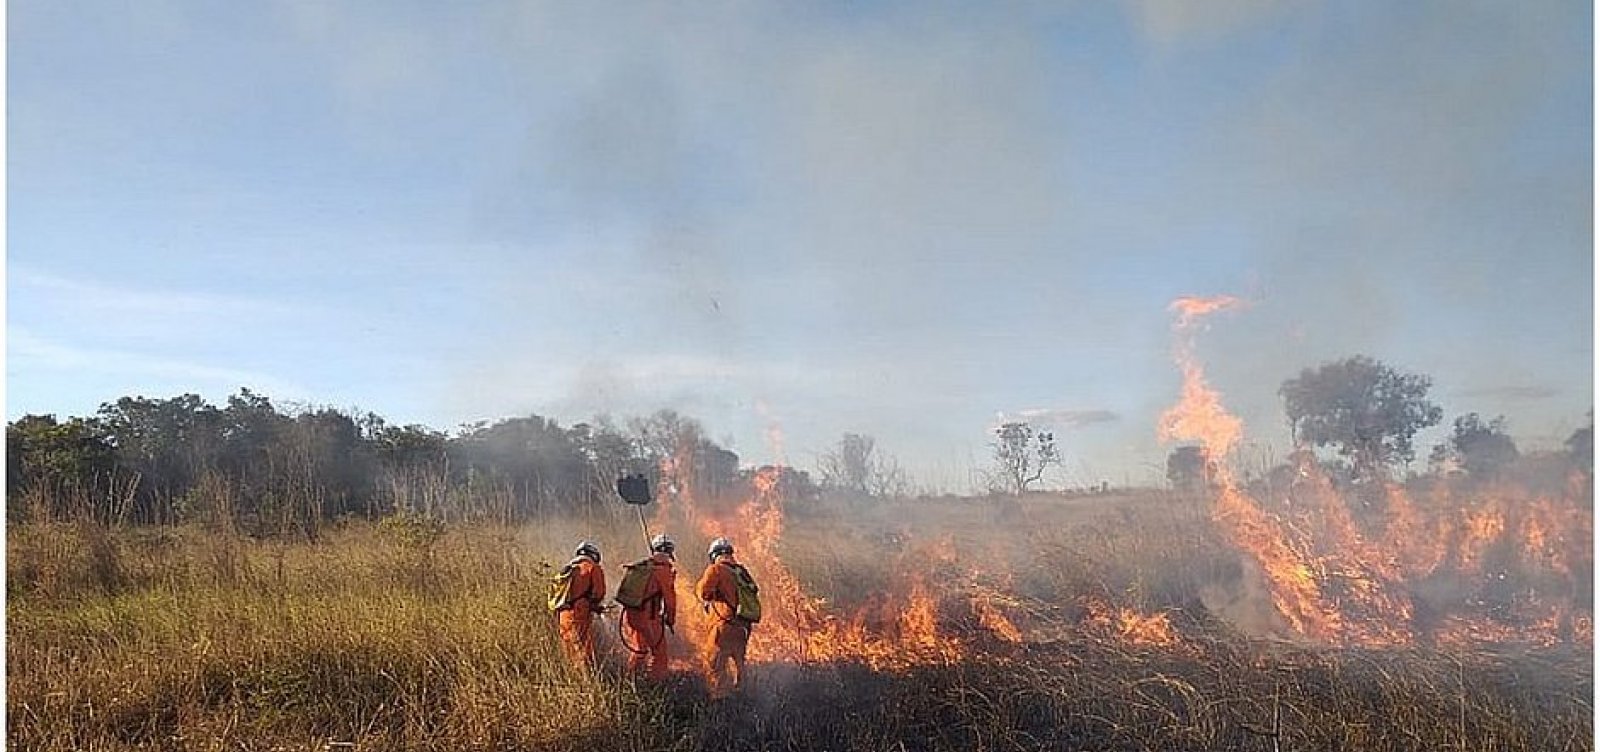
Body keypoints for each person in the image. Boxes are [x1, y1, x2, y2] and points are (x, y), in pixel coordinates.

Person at [695, 537, 753, 698]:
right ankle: (743, 697)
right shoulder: (742, 572)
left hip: (724, 626)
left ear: (714, 555)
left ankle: (720, 702)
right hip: (743, 628)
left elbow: (703, 592)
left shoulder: (716, 569)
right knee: (739, 665)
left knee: (715, 664)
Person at [621, 533, 679, 681]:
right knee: (659, 654)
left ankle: (630, 680)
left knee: (640, 650)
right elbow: (670, 601)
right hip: (649, 619)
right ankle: (655, 684)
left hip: (632, 615)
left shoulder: (642, 566)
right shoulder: (664, 571)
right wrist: (670, 619)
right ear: (669, 552)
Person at [556, 540, 607, 667]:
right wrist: (596, 606)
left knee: (568, 650)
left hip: (563, 615)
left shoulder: (568, 569)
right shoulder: (593, 567)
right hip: (579, 613)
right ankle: (586, 682)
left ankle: (570, 679)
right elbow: (598, 593)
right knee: (582, 650)